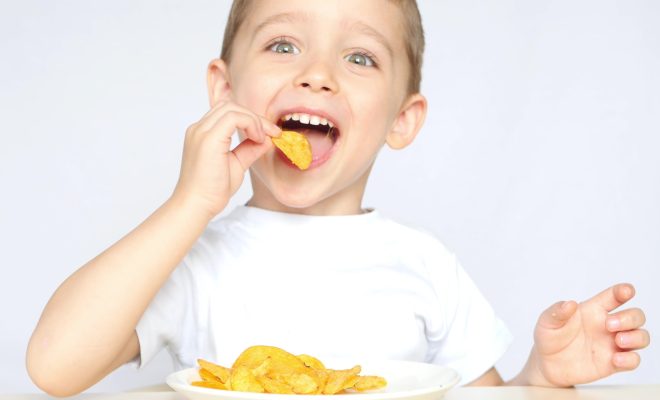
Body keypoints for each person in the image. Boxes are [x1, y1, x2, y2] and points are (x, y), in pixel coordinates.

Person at [26, 0, 649, 396]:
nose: (317, 72)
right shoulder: (192, 259)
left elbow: (486, 397)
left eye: (359, 57)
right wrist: (188, 204)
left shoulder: (425, 264)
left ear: (402, 120)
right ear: (223, 90)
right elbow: (54, 368)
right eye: (283, 45)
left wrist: (544, 377)